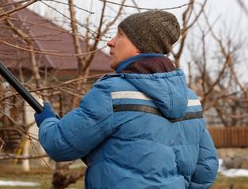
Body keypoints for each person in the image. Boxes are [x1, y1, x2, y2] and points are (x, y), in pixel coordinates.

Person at [35, 10, 219, 189]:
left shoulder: (112, 93)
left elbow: (60, 145)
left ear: (139, 45)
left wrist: (47, 121)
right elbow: (206, 169)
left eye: (119, 35)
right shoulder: (190, 99)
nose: (110, 42)